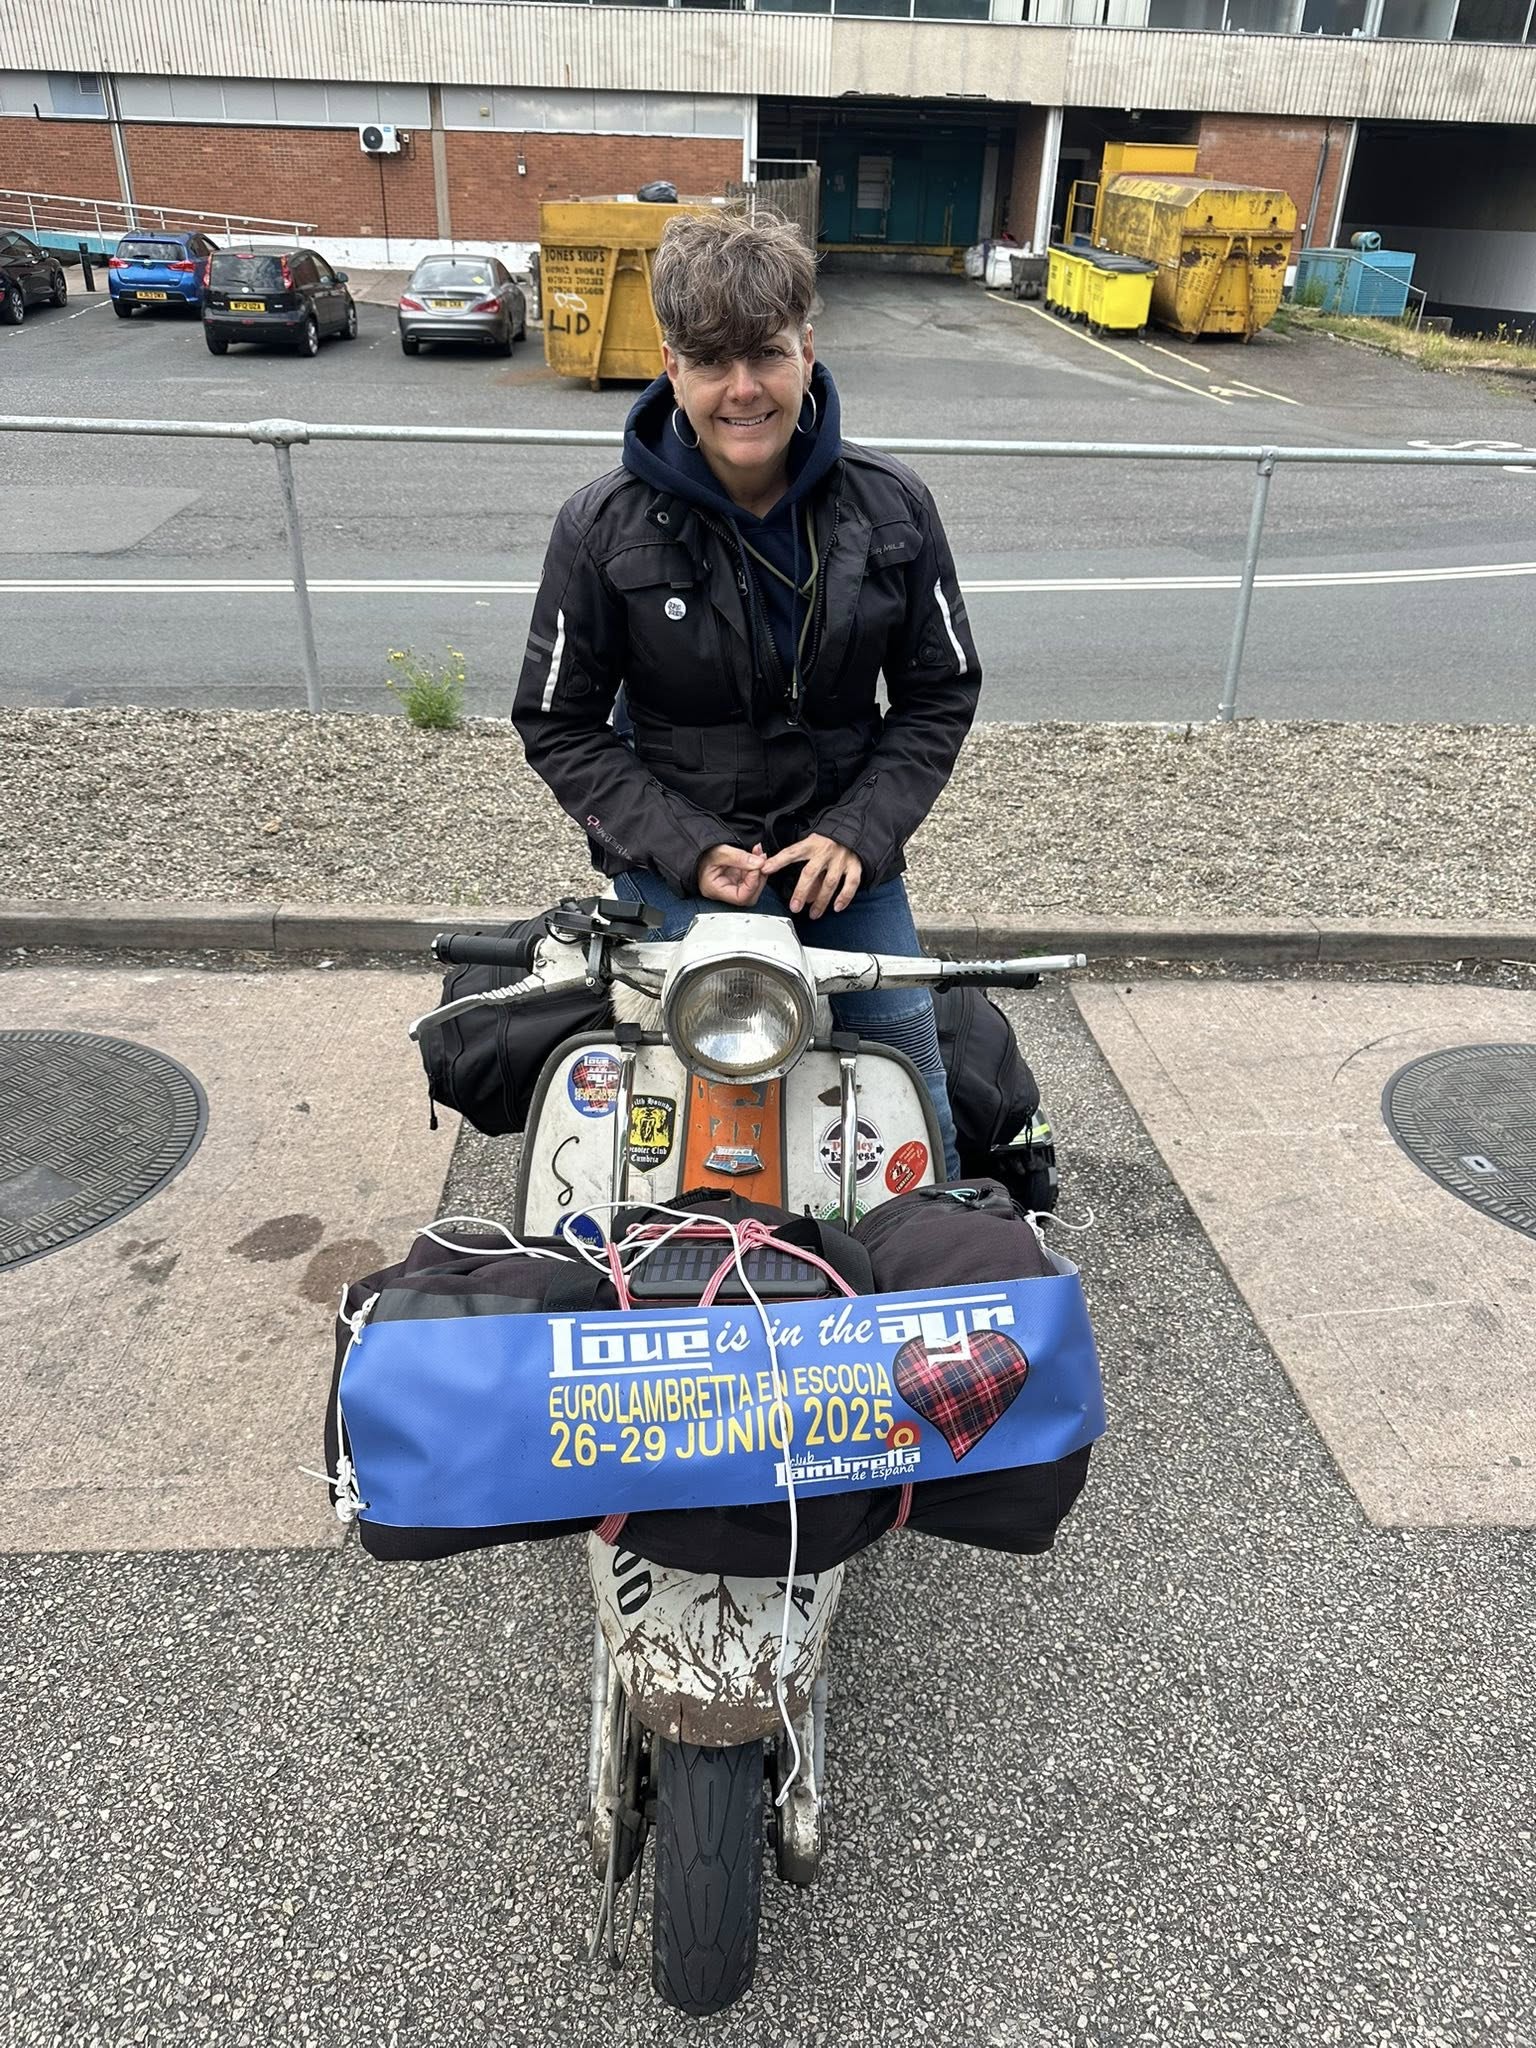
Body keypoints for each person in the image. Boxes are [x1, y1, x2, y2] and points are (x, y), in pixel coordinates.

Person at [513, 207, 980, 1177]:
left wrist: (860, 830)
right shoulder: (599, 528)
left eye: (765, 353)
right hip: (676, 866)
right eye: (711, 359)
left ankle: (919, 1261)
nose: (742, 389)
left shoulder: (896, 508)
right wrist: (686, 847)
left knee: (908, 1090)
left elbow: (941, 691)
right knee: (691, 1117)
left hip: (845, 865)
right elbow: (558, 723)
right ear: (671, 362)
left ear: (806, 347)